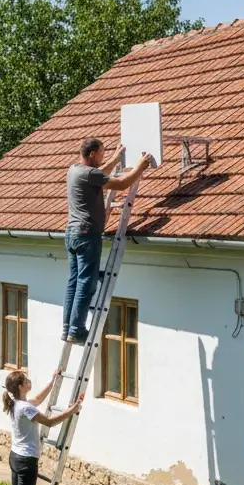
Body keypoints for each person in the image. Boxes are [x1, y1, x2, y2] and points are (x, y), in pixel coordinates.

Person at [63, 138, 151, 343]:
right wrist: (141, 166)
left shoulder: (74, 170)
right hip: (87, 235)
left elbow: (100, 172)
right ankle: (76, 330)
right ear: (92, 154)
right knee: (87, 283)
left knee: (74, 282)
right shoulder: (90, 174)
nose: (104, 155)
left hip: (72, 233)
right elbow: (121, 183)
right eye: (102, 152)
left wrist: (114, 158)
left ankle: (68, 327)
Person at [3, 369, 83, 485]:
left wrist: (53, 380)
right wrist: (72, 410)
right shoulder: (25, 408)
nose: (30, 381)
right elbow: (49, 422)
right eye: (27, 380)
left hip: (15, 456)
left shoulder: (17, 403)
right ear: (22, 386)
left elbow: (38, 400)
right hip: (26, 460)